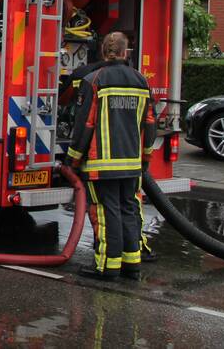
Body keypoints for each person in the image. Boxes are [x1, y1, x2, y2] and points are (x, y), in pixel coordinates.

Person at [67, 32, 156, 281]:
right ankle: (132, 264)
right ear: (125, 52)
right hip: (132, 163)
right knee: (129, 208)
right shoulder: (141, 80)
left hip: (101, 164)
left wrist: (72, 161)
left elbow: (85, 124)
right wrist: (145, 158)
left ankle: (107, 266)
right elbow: (150, 123)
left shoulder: (94, 80)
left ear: (104, 51)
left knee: (107, 213)